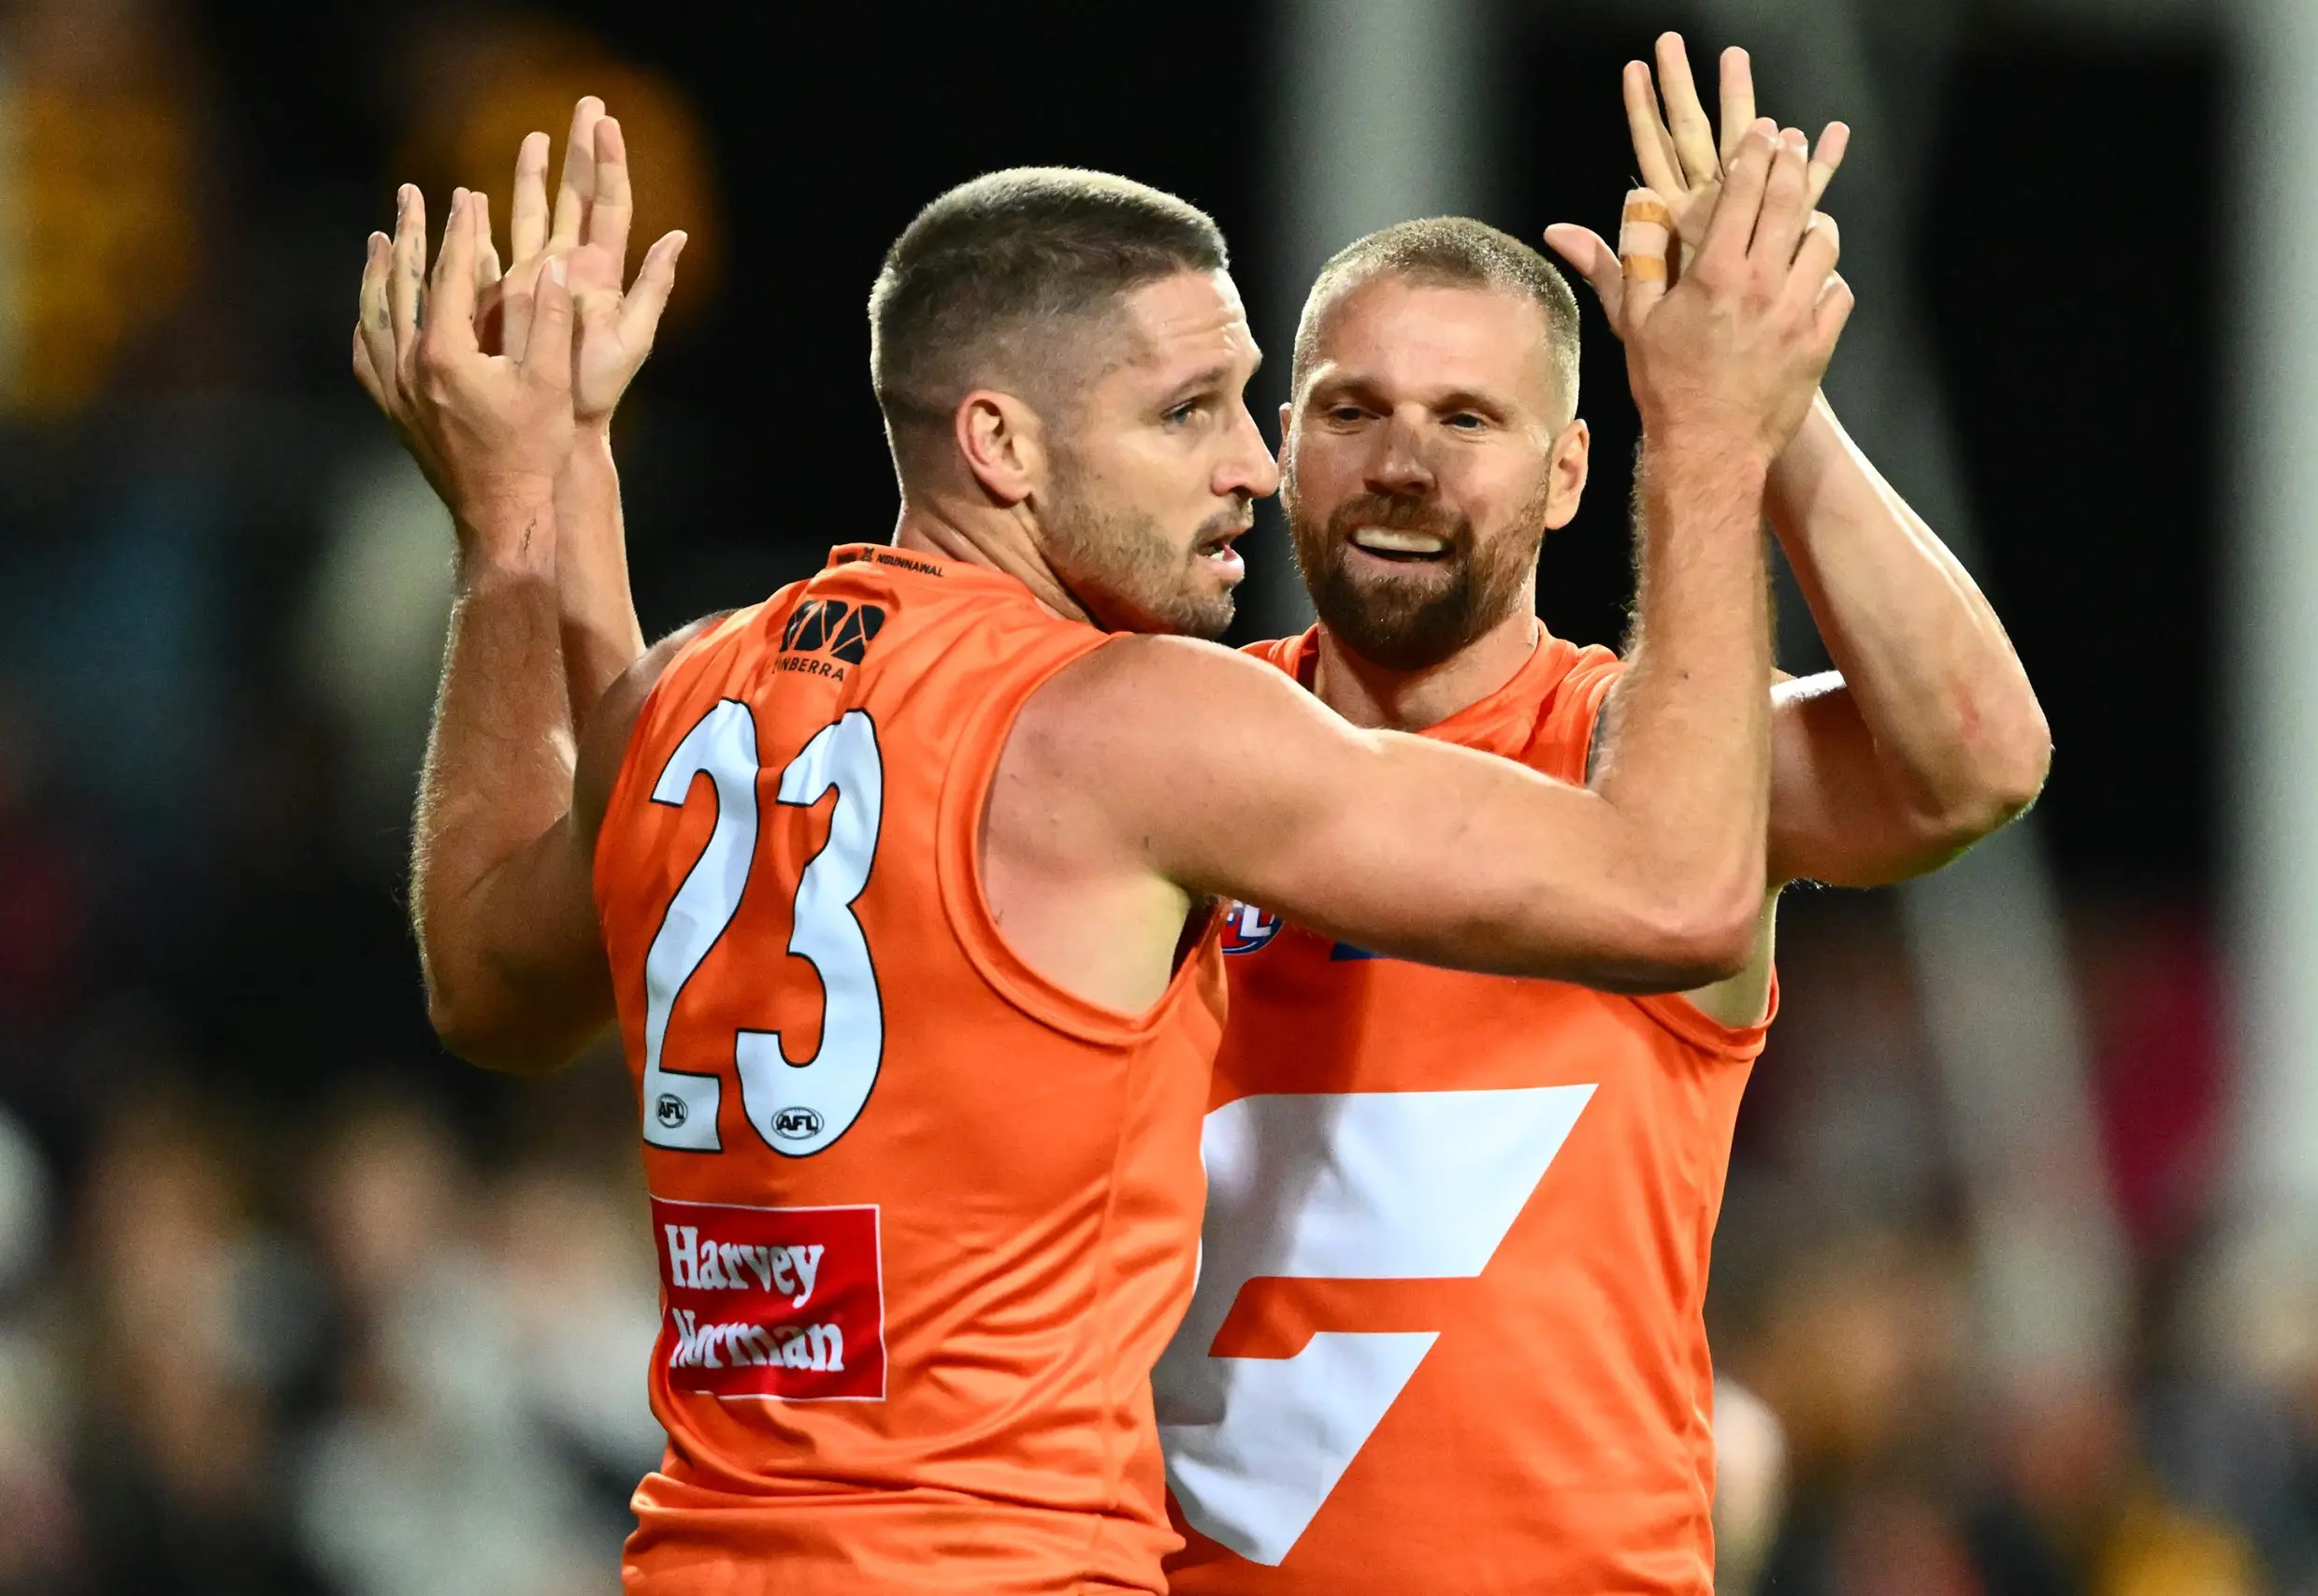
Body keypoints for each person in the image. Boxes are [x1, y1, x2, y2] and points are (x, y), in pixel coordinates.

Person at [349, 93, 1845, 1590]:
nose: (1251, 468)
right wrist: (1714, 436)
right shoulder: (1131, 728)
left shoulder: (687, 695)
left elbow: (486, 977)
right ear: (1001, 441)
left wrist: (517, 507)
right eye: (1185, 411)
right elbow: (1681, 889)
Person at [1150, 36, 2052, 1596]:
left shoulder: (1650, 762)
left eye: (1468, 420)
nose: (1404, 464)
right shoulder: (1172, 752)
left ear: (1572, 471)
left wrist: (1760, 412)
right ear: (1285, 441)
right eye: (1353, 409)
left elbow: (1977, 759)